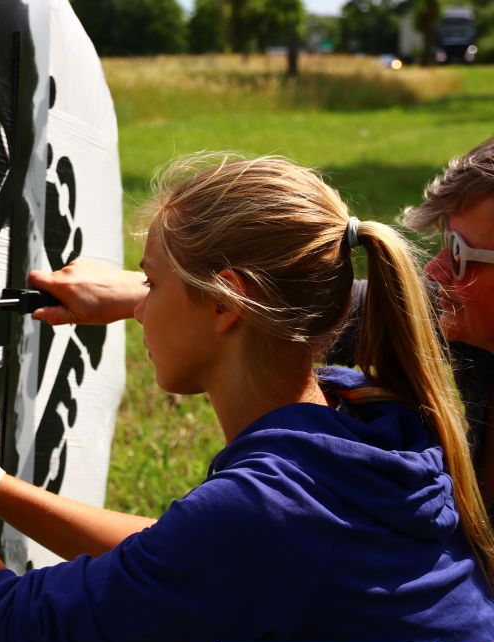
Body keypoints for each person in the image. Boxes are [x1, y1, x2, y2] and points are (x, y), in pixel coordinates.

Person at [0, 154, 494, 642]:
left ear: (227, 302)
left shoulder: (262, 508)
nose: (138, 306)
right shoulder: (364, 410)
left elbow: (8, 626)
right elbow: (186, 553)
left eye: (151, 283)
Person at [32, 137, 494, 520]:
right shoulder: (378, 431)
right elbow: (351, 307)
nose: (434, 271)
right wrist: (160, 289)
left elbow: (173, 561)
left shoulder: (265, 505)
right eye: (444, 241)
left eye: (460, 252)